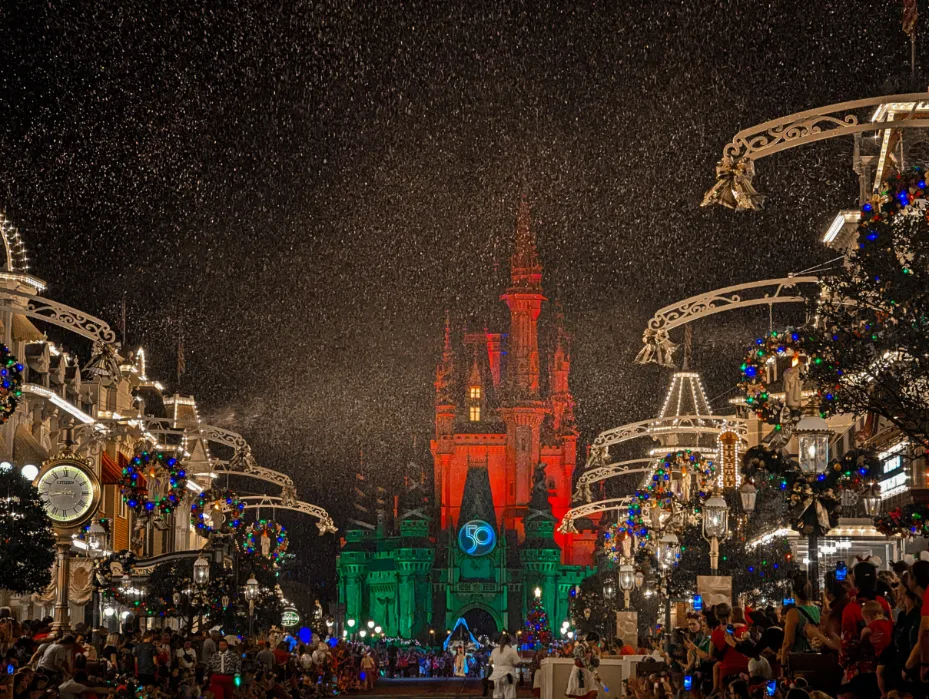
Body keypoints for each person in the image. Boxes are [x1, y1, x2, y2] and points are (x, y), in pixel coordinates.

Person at [779, 573, 821, 662]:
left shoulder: (793, 613)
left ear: (793, 593)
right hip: (817, 658)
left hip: (801, 660)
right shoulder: (818, 609)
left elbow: (788, 643)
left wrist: (783, 664)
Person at [488, 633, 521, 699]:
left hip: (496, 675)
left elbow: (490, 662)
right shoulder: (511, 651)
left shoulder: (494, 651)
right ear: (510, 642)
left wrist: (496, 666)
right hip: (508, 675)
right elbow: (517, 662)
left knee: (497, 694)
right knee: (509, 693)